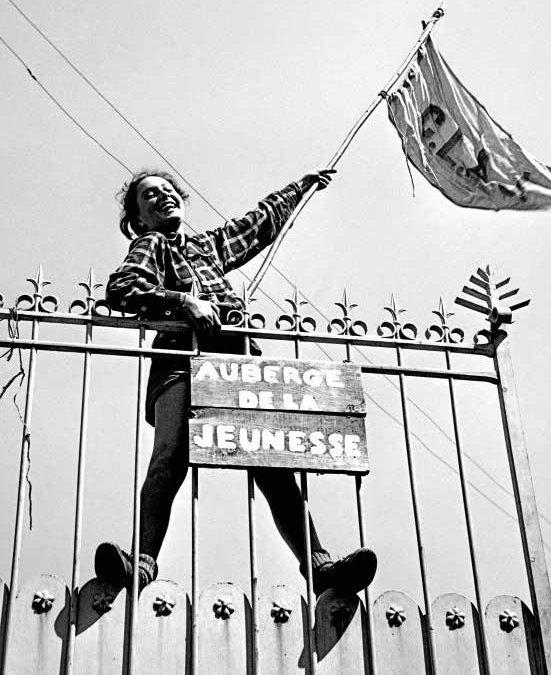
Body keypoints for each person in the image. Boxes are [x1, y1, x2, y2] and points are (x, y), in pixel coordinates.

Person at [94, 169, 377, 596]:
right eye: (150, 196)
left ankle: (318, 564)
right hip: (180, 356)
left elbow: (258, 224)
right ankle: (143, 562)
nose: (163, 197)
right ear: (139, 217)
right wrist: (183, 301)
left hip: (237, 363)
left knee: (274, 465)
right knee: (169, 456)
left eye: (168, 191)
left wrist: (301, 187)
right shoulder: (151, 244)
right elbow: (123, 288)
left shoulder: (206, 245)